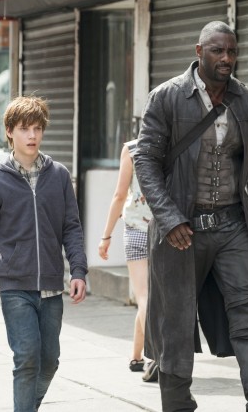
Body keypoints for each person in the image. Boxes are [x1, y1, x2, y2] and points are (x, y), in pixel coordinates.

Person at [133, 21, 248, 412]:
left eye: (232, 51)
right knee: (175, 325)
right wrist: (169, 217)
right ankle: (178, 405)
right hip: (181, 229)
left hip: (234, 225)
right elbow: (145, 160)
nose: (226, 58)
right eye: (218, 50)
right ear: (199, 51)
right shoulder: (166, 97)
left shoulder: (246, 101)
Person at [0, 95, 87, 412]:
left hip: (51, 286)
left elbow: (72, 227)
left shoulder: (59, 175)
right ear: (10, 132)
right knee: (26, 358)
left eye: (37, 128)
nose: (32, 135)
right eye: (24, 129)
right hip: (15, 287)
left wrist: (78, 270)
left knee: (49, 361)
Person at [98, 139, 157, 382]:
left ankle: (157, 356)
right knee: (152, 298)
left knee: (143, 297)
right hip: (167, 231)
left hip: (136, 230)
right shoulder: (172, 143)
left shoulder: (132, 148)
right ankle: (136, 356)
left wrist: (106, 236)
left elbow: (120, 194)